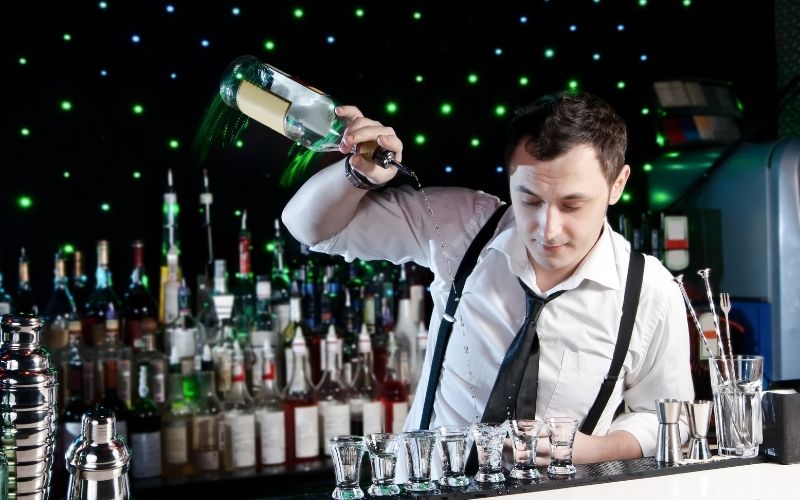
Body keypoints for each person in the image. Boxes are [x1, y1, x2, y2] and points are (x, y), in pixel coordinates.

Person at [282, 90, 694, 475]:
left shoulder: (649, 290)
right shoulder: (466, 226)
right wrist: (358, 176)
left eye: (573, 204)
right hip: (427, 490)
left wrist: (591, 450)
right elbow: (309, 229)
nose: (548, 230)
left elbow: (668, 418)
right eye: (529, 200)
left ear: (617, 184)